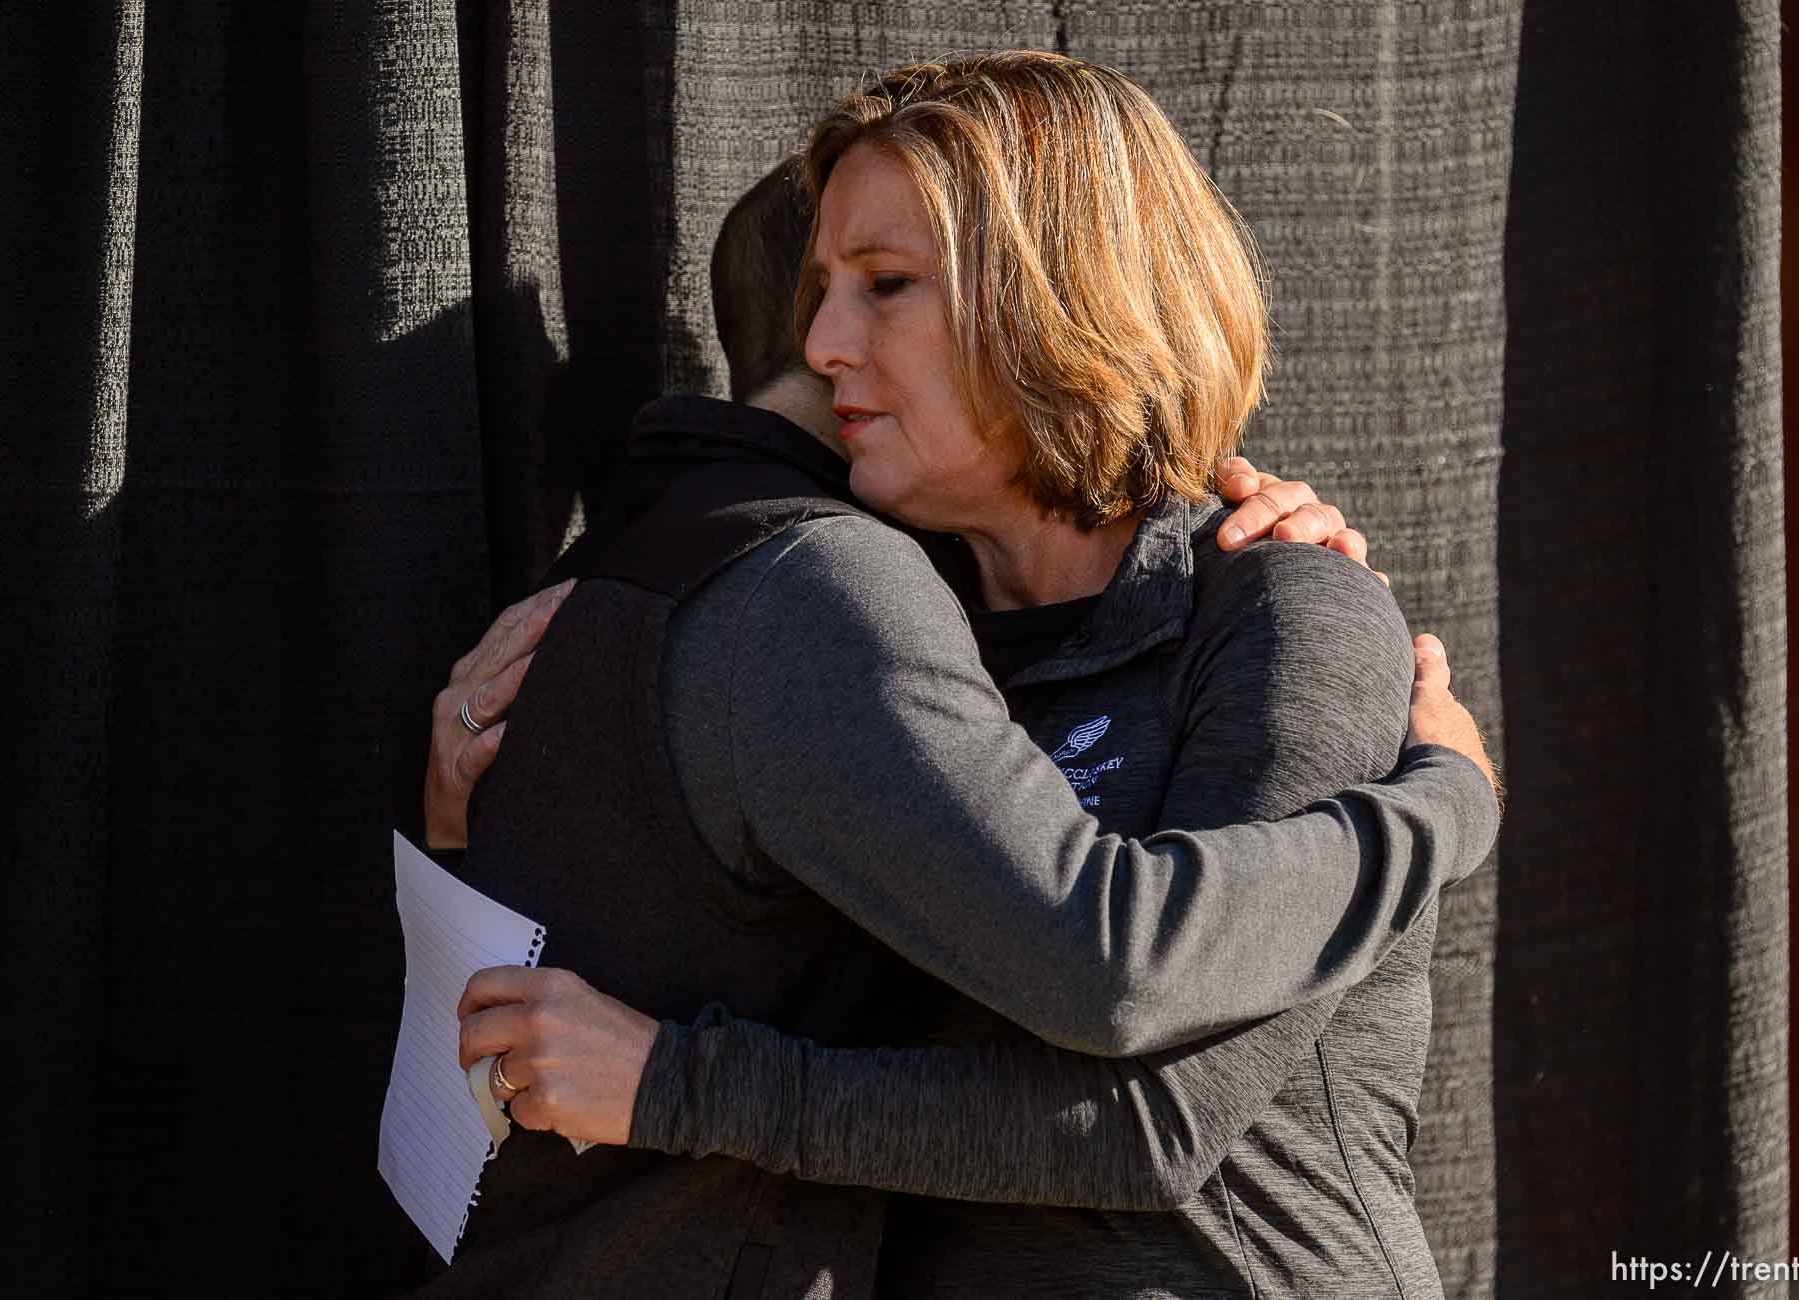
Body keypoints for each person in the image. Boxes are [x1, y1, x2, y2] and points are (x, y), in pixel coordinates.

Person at [424, 57, 1499, 1300]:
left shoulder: (1281, 607)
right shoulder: (898, 632)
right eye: (823, 290)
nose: (823, 346)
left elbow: (1149, 1125)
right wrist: (480, 797)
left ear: (1061, 300)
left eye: (886, 287)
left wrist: (676, 1085)